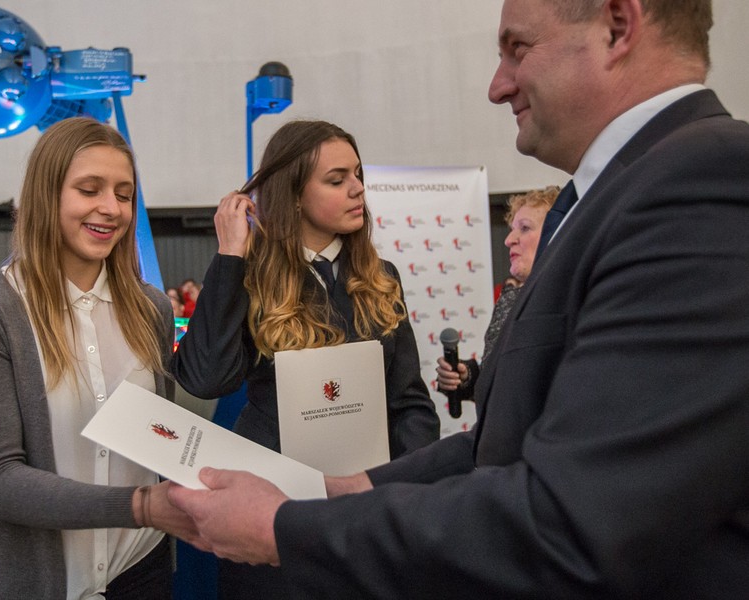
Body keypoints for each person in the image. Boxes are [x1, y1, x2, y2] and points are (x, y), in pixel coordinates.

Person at [166, 1, 749, 597]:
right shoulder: (601, 198)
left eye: (516, 48)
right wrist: (344, 491)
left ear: (618, 26)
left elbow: (579, 510)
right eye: (336, 179)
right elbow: (505, 437)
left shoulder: (697, 180)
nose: (496, 87)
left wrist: (293, 523)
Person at [171, 119, 440, 598]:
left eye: (357, 175)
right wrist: (230, 254)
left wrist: (394, 490)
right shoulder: (251, 277)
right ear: (293, 195)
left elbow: (410, 403)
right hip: (272, 514)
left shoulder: (382, 277)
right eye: (337, 180)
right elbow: (205, 378)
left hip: (364, 517)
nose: (358, 189)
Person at [0, 118, 195, 600]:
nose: (111, 208)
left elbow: (160, 441)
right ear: (46, 195)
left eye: (124, 193)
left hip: (140, 572)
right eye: (89, 189)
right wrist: (142, 506)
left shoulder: (151, 309)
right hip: (34, 582)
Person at [436, 186, 559, 398]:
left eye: (525, 228)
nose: (509, 239)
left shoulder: (572, 299)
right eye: (513, 228)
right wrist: (470, 377)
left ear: (557, 234)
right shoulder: (512, 294)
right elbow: (507, 382)